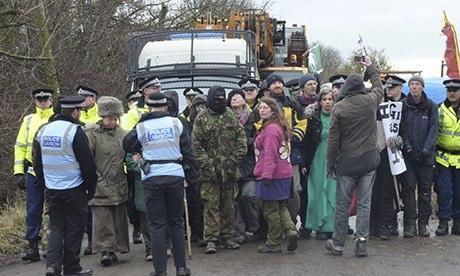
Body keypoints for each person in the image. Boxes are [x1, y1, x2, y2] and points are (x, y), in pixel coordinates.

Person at [123, 92, 198, 276]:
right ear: (166, 106)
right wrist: (193, 176)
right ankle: (181, 268)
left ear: (149, 107)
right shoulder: (176, 123)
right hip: (174, 176)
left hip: (152, 178)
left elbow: (127, 144)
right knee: (176, 223)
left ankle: (160, 270)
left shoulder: (142, 126)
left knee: (157, 225)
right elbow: (189, 152)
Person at [33, 96, 97, 276]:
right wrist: (90, 189)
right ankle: (71, 268)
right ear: (75, 111)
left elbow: (37, 163)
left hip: (53, 189)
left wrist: (45, 184)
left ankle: (52, 266)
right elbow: (88, 164)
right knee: (75, 229)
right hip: (74, 188)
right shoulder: (74, 131)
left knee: (57, 227)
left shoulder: (43, 131)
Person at [325, 57, 383, 257]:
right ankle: (362, 241)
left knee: (342, 204)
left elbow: (333, 141)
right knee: (364, 203)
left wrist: (330, 165)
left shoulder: (339, 108)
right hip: (369, 161)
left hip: (348, 163)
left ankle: (338, 244)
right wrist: (371, 68)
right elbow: (379, 87)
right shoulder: (370, 101)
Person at [192, 85, 247, 254]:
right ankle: (211, 239)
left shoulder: (231, 116)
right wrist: (207, 162)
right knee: (211, 206)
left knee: (229, 205)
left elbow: (241, 140)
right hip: (209, 172)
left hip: (229, 170)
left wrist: (233, 160)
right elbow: (195, 144)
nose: (219, 102)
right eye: (216, 99)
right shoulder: (202, 118)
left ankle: (227, 236)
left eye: (222, 99)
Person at [260, 73, 307, 237]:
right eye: (274, 83)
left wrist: (294, 137)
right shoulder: (263, 106)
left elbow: (302, 121)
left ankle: (291, 225)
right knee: (272, 197)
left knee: (293, 192)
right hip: (269, 157)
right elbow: (257, 125)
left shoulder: (292, 104)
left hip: (291, 155)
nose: (278, 85)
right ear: (268, 88)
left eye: (280, 82)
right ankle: (275, 229)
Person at [85, 96, 130, 266]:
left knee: (118, 218)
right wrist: (95, 179)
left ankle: (117, 248)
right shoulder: (92, 134)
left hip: (119, 181)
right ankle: (106, 251)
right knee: (103, 219)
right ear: (102, 117)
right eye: (109, 118)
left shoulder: (123, 134)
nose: (112, 121)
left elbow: (129, 158)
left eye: (115, 118)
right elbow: (87, 159)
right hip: (100, 182)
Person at [14, 88, 54, 262]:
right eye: (39, 99)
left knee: (53, 208)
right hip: (32, 171)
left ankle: (51, 244)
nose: (43, 101)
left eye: (45, 99)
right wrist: (18, 172)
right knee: (33, 209)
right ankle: (32, 247)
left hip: (53, 170)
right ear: (35, 101)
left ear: (51, 100)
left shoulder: (56, 119)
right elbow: (20, 146)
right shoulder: (29, 120)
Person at [254, 97, 297, 253]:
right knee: (281, 206)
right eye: (260, 107)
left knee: (270, 209)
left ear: (273, 110)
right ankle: (291, 231)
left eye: (266, 107)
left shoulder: (271, 129)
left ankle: (273, 242)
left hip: (272, 176)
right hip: (284, 174)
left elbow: (270, 155)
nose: (262, 110)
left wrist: (266, 176)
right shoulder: (279, 126)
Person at [400, 75, 438, 237]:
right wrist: (407, 147)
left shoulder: (431, 106)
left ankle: (423, 224)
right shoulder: (403, 105)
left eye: (417, 84)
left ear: (422, 87)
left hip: (425, 158)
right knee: (408, 191)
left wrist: (426, 150)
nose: (414, 87)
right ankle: (410, 224)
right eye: (411, 84)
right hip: (408, 157)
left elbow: (434, 130)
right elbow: (401, 129)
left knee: (425, 192)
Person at [370, 75, 406, 239]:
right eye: (386, 87)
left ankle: (386, 225)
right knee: (372, 191)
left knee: (387, 191)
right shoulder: (373, 106)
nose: (388, 90)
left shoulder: (403, 106)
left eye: (391, 87)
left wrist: (398, 140)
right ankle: (372, 226)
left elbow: (405, 129)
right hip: (373, 151)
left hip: (390, 153)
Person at [302, 86, 336, 240]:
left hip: (334, 160)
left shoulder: (339, 117)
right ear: (320, 102)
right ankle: (318, 226)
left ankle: (332, 226)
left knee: (332, 192)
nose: (327, 102)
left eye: (330, 99)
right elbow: (307, 142)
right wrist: (304, 163)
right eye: (324, 99)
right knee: (316, 192)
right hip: (317, 159)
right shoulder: (313, 120)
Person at [227, 89, 259, 244]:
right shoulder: (226, 119)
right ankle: (238, 231)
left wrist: (247, 143)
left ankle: (254, 227)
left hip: (251, 165)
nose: (236, 98)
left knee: (249, 195)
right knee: (234, 200)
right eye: (232, 97)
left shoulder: (255, 115)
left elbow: (259, 137)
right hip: (232, 166)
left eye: (239, 96)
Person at [435, 79, 460, 236]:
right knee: (444, 192)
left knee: (459, 192)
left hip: (459, 159)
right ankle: (443, 222)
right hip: (442, 157)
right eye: (449, 90)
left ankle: (457, 222)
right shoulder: (439, 109)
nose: (451, 93)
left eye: (455, 90)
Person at [122, 89, 144, 245]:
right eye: (132, 101)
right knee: (133, 201)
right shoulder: (125, 118)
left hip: (145, 161)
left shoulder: (147, 113)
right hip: (129, 163)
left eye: (137, 100)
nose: (135, 103)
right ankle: (137, 228)